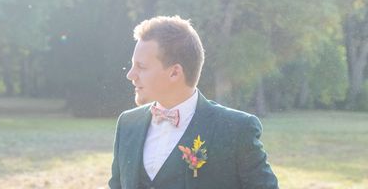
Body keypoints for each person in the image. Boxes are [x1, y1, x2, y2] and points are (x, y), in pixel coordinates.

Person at [109, 16, 278, 189]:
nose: (130, 75)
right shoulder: (127, 124)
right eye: (132, 65)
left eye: (141, 67)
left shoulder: (236, 129)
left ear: (175, 72)